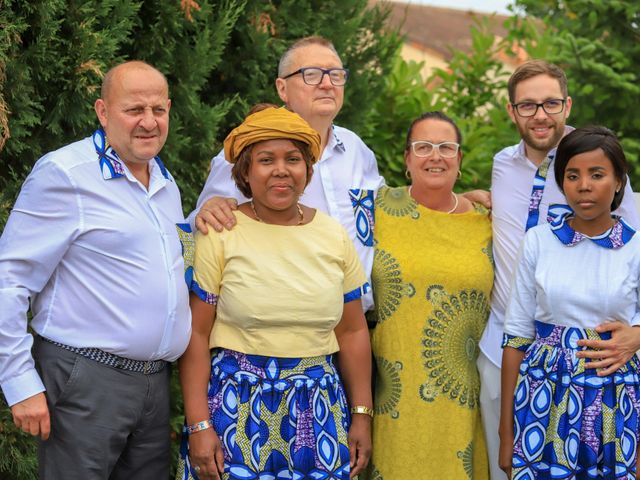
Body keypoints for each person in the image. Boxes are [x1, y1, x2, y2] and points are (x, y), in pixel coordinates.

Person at [0, 61, 192, 479]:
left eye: (158, 110)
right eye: (133, 109)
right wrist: (20, 382)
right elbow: (9, 278)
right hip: (84, 380)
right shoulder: (66, 174)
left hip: (154, 385)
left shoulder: (163, 181)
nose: (148, 122)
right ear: (103, 112)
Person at [176, 106, 373, 480]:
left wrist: (362, 414)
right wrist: (199, 425)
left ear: (308, 170)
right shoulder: (221, 232)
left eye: (293, 159)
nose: (281, 170)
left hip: (319, 410)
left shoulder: (333, 235)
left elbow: (352, 331)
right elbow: (197, 334)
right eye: (266, 160)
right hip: (236, 409)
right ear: (245, 173)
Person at [481, 60, 640, 480]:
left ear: (567, 106)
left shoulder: (593, 159)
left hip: (608, 380)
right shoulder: (503, 166)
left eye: (550, 103)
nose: (540, 114)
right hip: (519, 354)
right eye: (528, 105)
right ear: (512, 111)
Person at [190, 35, 384, 313]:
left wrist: (457, 204)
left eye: (336, 75)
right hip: (282, 330)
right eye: (312, 74)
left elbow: (390, 211)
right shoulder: (248, 149)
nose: (327, 83)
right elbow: (206, 226)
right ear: (282, 88)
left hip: (358, 327)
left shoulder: (357, 150)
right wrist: (207, 210)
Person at [366, 112, 492, 479]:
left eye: (446, 148)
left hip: (467, 399)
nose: (435, 156)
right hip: (392, 398)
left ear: (460, 160)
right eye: (423, 147)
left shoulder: (489, 220)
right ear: (407, 159)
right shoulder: (376, 209)